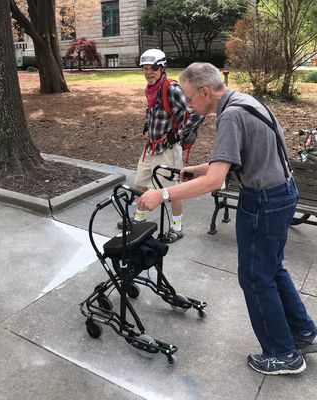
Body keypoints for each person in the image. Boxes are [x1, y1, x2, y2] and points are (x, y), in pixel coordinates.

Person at [138, 62, 317, 374]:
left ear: (206, 91)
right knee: (272, 269)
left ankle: (284, 354)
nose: (190, 107)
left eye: (191, 99)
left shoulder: (231, 115)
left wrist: (163, 194)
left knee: (255, 277)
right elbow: (236, 159)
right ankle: (304, 332)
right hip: (282, 193)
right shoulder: (244, 101)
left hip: (263, 201)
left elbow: (214, 183)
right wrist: (201, 166)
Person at [118, 48, 203, 243]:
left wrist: (178, 135)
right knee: (140, 184)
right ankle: (138, 220)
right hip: (150, 147)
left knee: (172, 191)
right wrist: (147, 125)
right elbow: (153, 110)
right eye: (145, 68)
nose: (148, 73)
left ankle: (177, 227)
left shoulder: (171, 89)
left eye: (152, 68)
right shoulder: (150, 89)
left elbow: (198, 112)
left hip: (167, 150)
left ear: (162, 68)